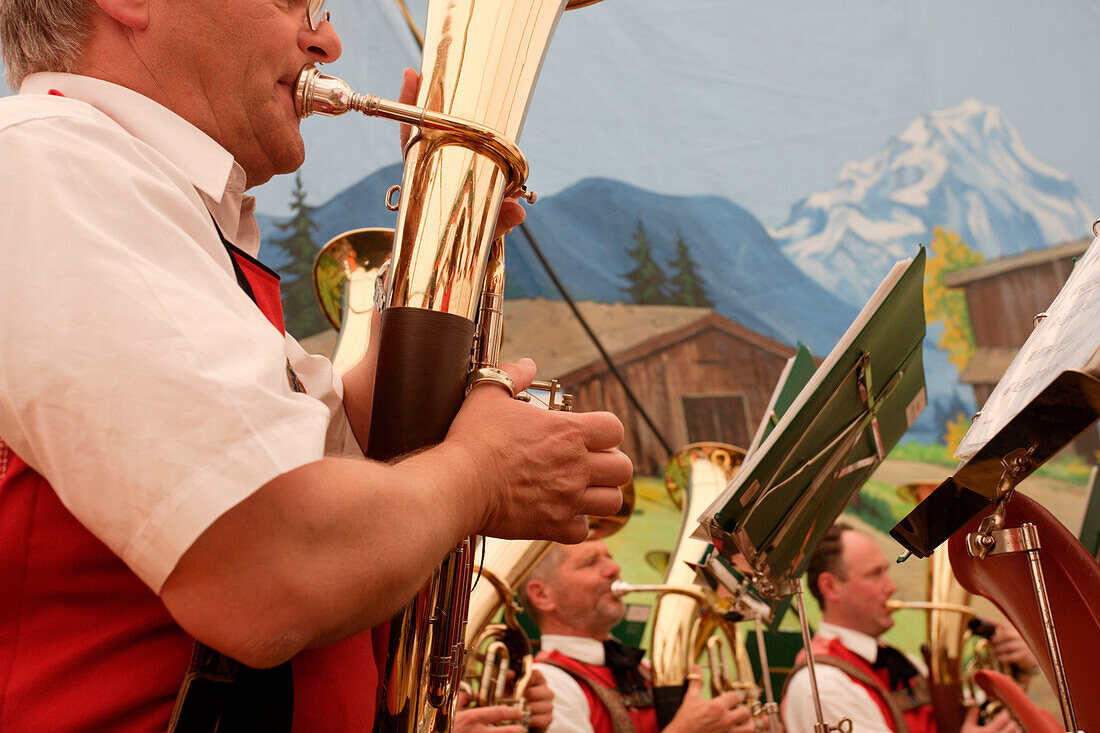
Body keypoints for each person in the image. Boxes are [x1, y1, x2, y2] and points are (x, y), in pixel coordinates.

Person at [0, 0, 632, 730]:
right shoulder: (50, 162)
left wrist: (448, 232)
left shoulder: (148, 206)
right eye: (290, 3)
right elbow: (269, 567)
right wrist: (485, 469)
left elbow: (345, 453)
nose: (327, 40)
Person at [781, 524, 1034, 733]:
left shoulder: (902, 660)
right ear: (830, 587)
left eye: (886, 572)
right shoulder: (820, 685)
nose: (891, 587)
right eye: (874, 574)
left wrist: (1017, 669)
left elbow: (969, 717)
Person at [518, 540, 756, 733]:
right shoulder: (547, 684)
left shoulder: (646, 669)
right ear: (542, 595)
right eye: (590, 563)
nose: (614, 568)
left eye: (609, 557)